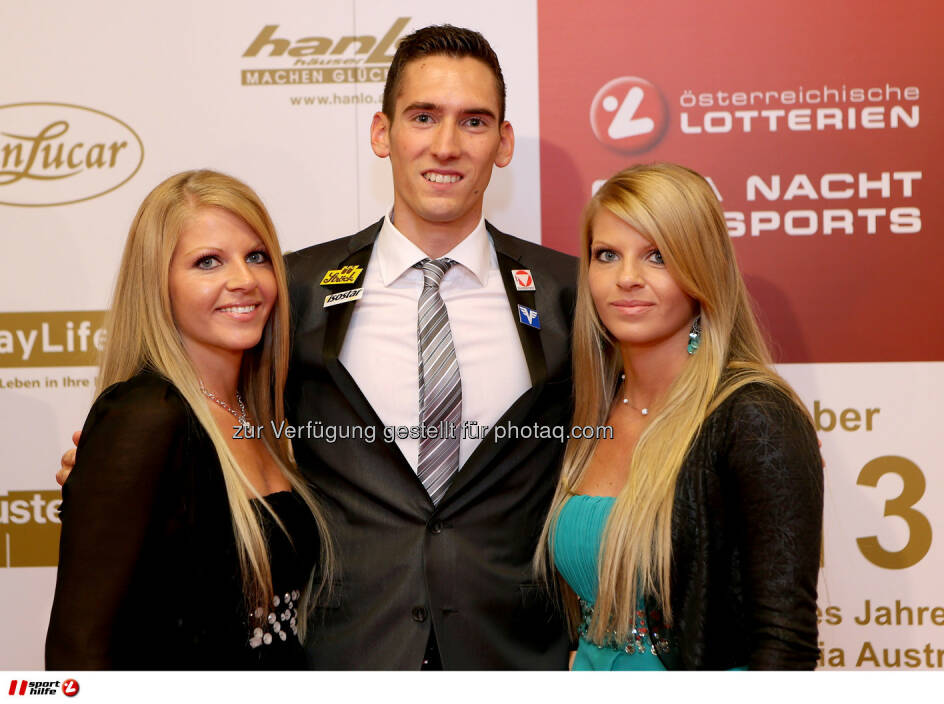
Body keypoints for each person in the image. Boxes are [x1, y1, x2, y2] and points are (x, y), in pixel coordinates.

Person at [60, 26, 576, 669]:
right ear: (381, 133)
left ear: (502, 144)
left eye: (474, 121)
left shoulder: (570, 297)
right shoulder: (289, 290)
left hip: (516, 658)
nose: (446, 145)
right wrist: (127, 474)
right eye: (423, 116)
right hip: (344, 658)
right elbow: (206, 420)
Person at [534, 162, 823, 670]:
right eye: (607, 255)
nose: (626, 278)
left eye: (657, 256)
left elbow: (785, 643)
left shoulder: (753, 416)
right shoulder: (583, 410)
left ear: (701, 269)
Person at [46, 170, 332, 669]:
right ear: (158, 284)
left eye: (257, 256)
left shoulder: (259, 416)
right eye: (208, 262)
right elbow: (79, 648)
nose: (243, 279)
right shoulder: (144, 416)